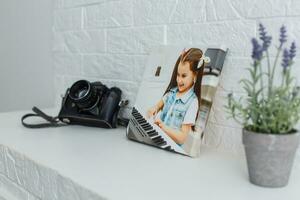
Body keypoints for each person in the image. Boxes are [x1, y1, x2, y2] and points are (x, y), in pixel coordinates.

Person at [147, 48, 209, 146]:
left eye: (184, 76)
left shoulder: (192, 103)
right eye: (178, 75)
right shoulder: (171, 93)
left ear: (195, 76)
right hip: (158, 141)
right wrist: (153, 110)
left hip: (172, 147)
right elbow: (157, 107)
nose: (179, 80)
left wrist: (163, 127)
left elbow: (181, 139)